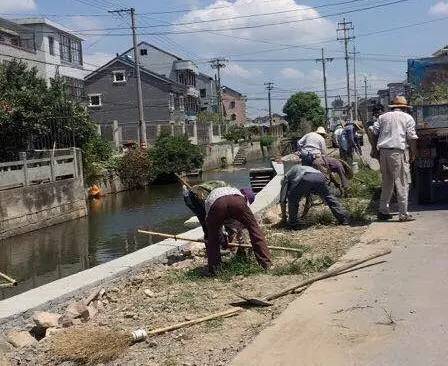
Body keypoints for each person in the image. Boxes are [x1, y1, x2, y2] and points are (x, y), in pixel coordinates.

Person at [204, 186, 272, 274]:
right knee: (254, 230)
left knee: (212, 238)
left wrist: (222, 238)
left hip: (217, 204)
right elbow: (239, 223)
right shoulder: (240, 196)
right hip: (236, 202)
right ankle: (266, 264)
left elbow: (214, 227)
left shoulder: (209, 199)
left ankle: (215, 270)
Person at [371, 96, 418, 222]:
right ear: (404, 108)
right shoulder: (407, 118)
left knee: (387, 182)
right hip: (397, 152)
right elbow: (412, 137)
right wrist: (413, 153)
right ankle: (403, 214)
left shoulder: (383, 117)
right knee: (402, 182)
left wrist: (374, 149)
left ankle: (383, 211)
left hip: (383, 152)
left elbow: (373, 132)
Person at [280, 162, 350, 229]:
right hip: (320, 176)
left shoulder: (286, 179)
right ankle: (344, 219)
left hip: (305, 176)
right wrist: (303, 216)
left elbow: (283, 200)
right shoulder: (297, 174)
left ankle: (293, 223)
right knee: (329, 198)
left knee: (292, 199)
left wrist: (284, 218)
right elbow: (308, 201)